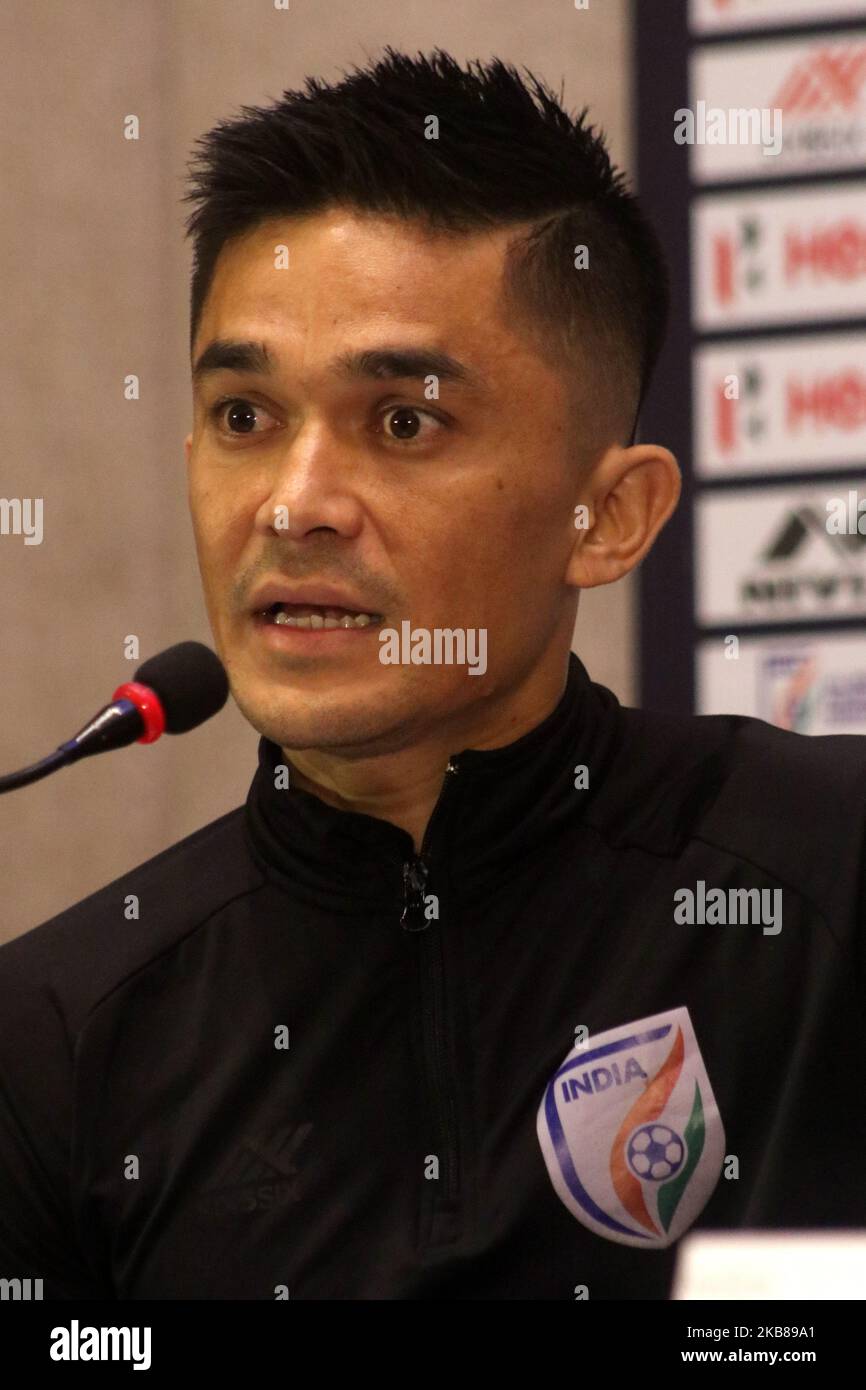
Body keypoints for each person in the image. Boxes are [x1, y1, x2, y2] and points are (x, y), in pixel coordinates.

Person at [1, 48, 864, 1302]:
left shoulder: (827, 878)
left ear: (609, 516)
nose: (293, 506)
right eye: (244, 417)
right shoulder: (53, 1038)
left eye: (403, 422)